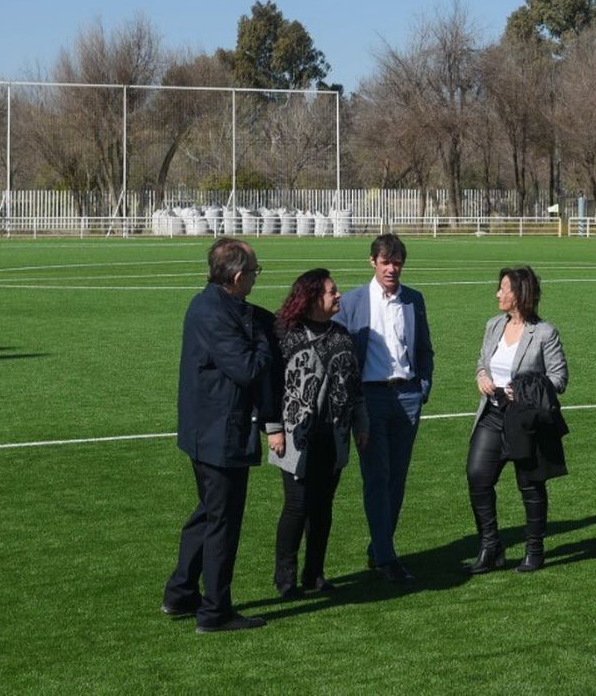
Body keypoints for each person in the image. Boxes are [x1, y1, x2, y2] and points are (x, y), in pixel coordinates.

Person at [162, 238, 279, 633]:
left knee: (209, 513)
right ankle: (215, 611)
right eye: (255, 273)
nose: (256, 279)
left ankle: (180, 592)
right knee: (223, 522)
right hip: (218, 432)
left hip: (208, 429)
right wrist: (266, 340)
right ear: (238, 275)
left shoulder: (215, 304)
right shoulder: (212, 311)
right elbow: (246, 368)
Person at [334, 234, 434, 584]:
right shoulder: (352, 302)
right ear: (372, 262)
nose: (392, 269)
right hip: (370, 399)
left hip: (406, 397)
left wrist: (422, 386)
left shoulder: (413, 300)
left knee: (396, 479)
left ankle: (379, 548)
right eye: (385, 262)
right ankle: (387, 557)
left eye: (397, 263)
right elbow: (340, 354)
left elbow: (424, 349)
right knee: (377, 477)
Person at [265, 269, 369, 599]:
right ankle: (285, 577)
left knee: (323, 507)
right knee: (297, 507)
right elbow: (271, 387)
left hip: (332, 435)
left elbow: (355, 387)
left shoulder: (342, 336)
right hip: (296, 437)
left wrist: (361, 424)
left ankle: (315, 573)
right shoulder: (287, 336)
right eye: (331, 291)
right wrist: (274, 429)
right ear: (312, 298)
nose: (338, 295)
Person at [465, 266, 568, 574]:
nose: (498, 293)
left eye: (504, 288)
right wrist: (482, 375)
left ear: (520, 293)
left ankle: (534, 550)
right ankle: (490, 547)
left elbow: (559, 378)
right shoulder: (493, 324)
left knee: (530, 484)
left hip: (525, 420)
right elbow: (482, 361)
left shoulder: (545, 333)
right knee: (477, 476)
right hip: (492, 414)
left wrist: (524, 388)